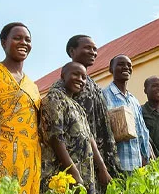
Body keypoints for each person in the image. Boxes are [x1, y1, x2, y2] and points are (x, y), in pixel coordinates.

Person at [40, 62, 111, 194]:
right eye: (75, 74)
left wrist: (102, 169)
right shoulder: (54, 98)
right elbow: (55, 138)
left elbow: (89, 138)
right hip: (63, 176)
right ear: (63, 76)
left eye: (84, 77)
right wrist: (73, 173)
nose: (80, 79)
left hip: (83, 174)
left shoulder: (77, 105)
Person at [51, 35, 121, 178]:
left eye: (95, 49)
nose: (93, 52)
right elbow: (58, 134)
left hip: (102, 157)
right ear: (72, 51)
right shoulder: (64, 88)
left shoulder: (92, 84)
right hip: (79, 162)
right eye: (87, 48)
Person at [0, 22, 40, 194]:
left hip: (29, 158)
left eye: (27, 40)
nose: (23, 43)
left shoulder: (32, 86)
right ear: (4, 42)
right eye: (17, 38)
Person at [103, 55, 150, 173]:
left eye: (129, 65)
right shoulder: (103, 95)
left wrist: (145, 157)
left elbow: (142, 131)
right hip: (117, 165)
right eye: (120, 64)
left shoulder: (134, 100)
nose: (126, 67)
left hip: (138, 165)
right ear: (110, 69)